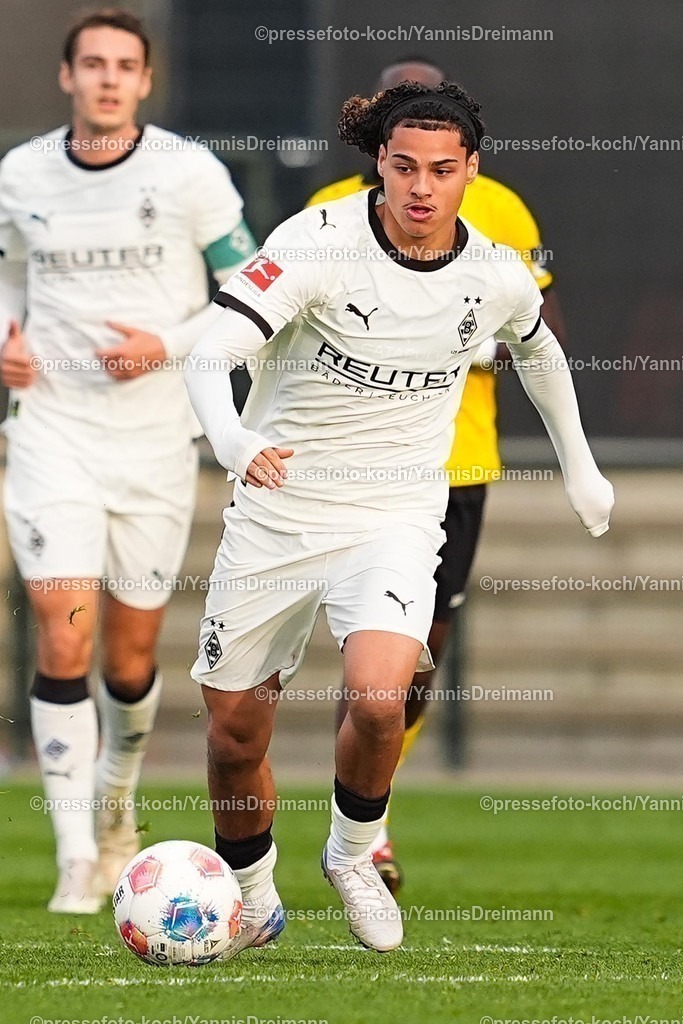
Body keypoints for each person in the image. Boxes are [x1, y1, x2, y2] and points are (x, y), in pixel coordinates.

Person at [184, 79, 614, 956]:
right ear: (378, 164)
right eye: (405, 167)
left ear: (471, 172)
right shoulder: (316, 243)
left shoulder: (494, 270)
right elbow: (212, 346)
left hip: (394, 513)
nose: (421, 188)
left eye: (442, 171)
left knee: (381, 699)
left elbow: (540, 354)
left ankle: (350, 854)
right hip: (278, 509)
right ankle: (252, 891)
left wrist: (581, 467)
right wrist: (230, 437)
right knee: (233, 734)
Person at [0, 8, 256, 913]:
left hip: (153, 440)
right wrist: (6, 334)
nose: (109, 78)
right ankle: (75, 856)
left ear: (145, 82)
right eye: (93, 64)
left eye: (125, 66)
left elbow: (253, 283)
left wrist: (172, 344)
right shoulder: (21, 174)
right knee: (60, 630)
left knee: (130, 659)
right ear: (67, 77)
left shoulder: (189, 173)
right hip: (52, 434)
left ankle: (117, 805)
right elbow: (8, 272)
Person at [307, 55, 567, 894]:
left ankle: (362, 812)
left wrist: (456, 341)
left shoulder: (497, 213)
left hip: (453, 465)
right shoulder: (325, 218)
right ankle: (312, 828)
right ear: (377, 136)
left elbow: (539, 330)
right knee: (340, 655)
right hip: (336, 464)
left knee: (419, 656)